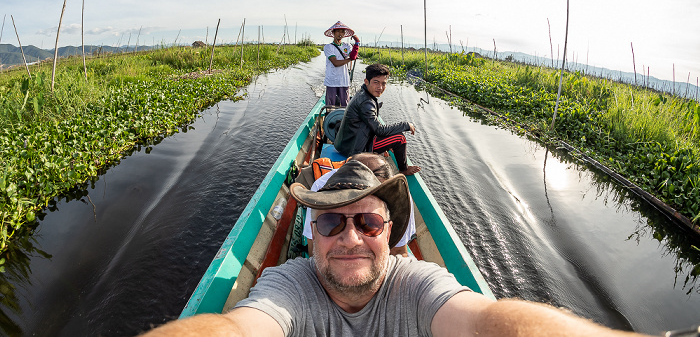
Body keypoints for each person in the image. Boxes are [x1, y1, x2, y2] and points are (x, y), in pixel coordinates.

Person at [142, 161, 651, 337]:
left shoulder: (418, 285)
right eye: (330, 222)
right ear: (311, 232)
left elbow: (483, 322)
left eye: (366, 221)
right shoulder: (288, 284)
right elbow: (240, 326)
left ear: (389, 231)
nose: (349, 238)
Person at [302, 152, 416, 257]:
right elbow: (314, 247)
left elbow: (399, 251)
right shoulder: (321, 187)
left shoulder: (398, 196)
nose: (351, 241)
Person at [334, 63, 421, 175]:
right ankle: (403, 169)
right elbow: (379, 130)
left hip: (348, 143)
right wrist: (406, 125)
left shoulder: (363, 93)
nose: (380, 87)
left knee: (390, 135)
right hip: (355, 150)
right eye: (376, 82)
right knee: (400, 138)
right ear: (366, 81)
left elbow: (372, 126)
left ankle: (388, 148)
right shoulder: (366, 102)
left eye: (383, 84)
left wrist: (386, 144)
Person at [323, 21, 360, 107]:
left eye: (342, 31)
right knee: (330, 106)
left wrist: (357, 43)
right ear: (333, 33)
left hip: (344, 81)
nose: (340, 33)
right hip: (332, 81)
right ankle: (330, 119)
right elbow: (335, 62)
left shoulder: (347, 46)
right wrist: (350, 59)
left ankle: (344, 120)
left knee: (345, 105)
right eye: (338, 31)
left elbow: (353, 56)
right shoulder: (328, 47)